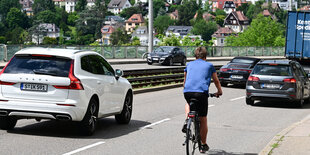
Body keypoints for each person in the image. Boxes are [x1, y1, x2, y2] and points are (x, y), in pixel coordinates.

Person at [182, 47, 223, 153]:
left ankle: (187, 119)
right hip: (201, 94)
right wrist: (219, 91)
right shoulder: (209, 65)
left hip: (188, 92)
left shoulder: (189, 65)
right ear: (205, 56)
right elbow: (216, 81)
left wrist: (187, 89)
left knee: (188, 104)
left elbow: (184, 81)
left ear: (195, 56)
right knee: (203, 118)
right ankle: (203, 145)